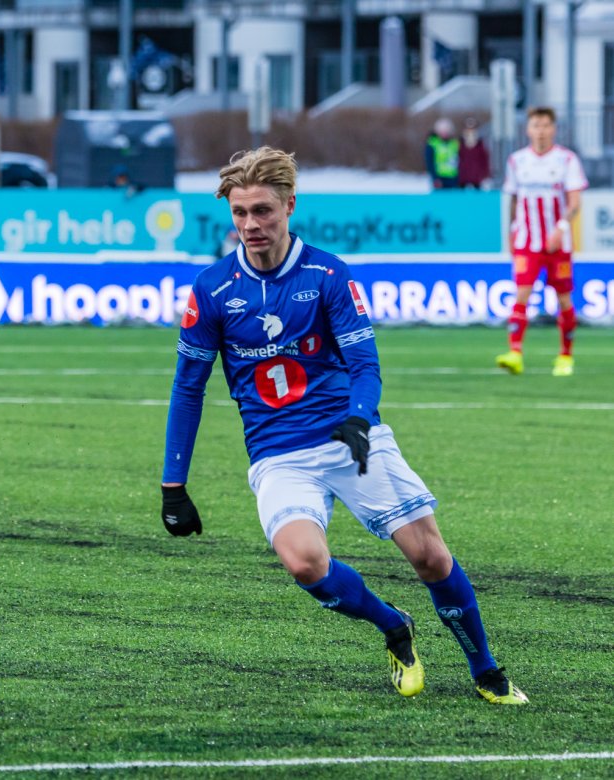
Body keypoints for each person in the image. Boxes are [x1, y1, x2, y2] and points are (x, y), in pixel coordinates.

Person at [160, 146, 528, 705]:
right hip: (278, 453)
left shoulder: (328, 274)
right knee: (304, 562)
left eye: (263, 210)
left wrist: (359, 417)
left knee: (430, 556)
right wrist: (174, 484)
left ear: (290, 205)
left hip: (350, 436)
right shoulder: (212, 288)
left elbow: (364, 365)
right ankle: (393, 626)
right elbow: (188, 388)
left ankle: (485, 669)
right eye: (240, 213)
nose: (251, 224)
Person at [496, 106, 587, 377]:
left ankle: (565, 356)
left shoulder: (566, 160)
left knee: (564, 298)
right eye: (536, 125)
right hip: (527, 240)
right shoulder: (517, 161)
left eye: (546, 125)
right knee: (521, 292)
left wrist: (560, 228)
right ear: (528, 129)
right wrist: (511, 232)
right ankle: (515, 353)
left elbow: (574, 201)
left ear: (553, 129)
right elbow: (514, 200)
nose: (541, 131)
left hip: (559, 243)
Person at [425, 117, 460, 190]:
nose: (444, 133)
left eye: (446, 130)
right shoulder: (433, 144)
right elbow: (429, 162)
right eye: (442, 130)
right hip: (439, 178)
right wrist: (435, 178)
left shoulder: (455, 143)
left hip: (453, 178)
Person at [457, 117, 491, 189]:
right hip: (463, 177)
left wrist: (485, 174)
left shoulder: (480, 144)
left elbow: (484, 160)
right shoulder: (460, 143)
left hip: (477, 177)